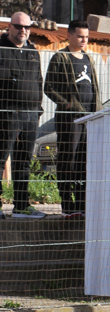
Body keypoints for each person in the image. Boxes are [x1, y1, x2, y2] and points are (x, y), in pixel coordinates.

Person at [44, 20, 98, 216]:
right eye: (80, 36)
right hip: (69, 119)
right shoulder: (60, 57)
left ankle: (82, 205)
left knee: (84, 162)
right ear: (69, 36)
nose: (84, 40)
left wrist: (96, 111)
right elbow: (48, 87)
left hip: (89, 118)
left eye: (86, 37)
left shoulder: (89, 58)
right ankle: (68, 206)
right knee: (69, 161)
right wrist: (67, 104)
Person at [0, 13, 46, 217]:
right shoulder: (2, 49)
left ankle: (21, 204)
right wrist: (13, 79)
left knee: (24, 160)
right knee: (1, 157)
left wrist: (38, 109)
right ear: (9, 27)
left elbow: (38, 80)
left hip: (31, 114)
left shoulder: (32, 52)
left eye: (27, 27)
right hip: (8, 113)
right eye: (18, 26)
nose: (23, 30)